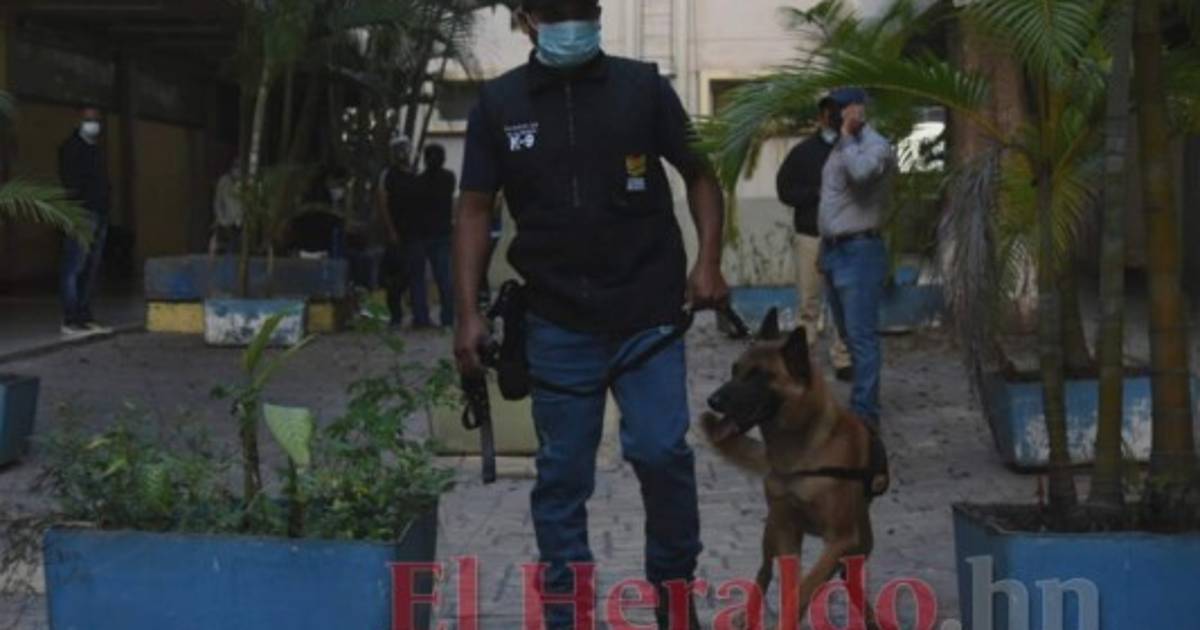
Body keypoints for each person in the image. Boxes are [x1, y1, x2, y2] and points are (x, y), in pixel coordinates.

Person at [452, 1, 728, 627]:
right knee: (561, 477)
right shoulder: (499, 104)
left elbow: (700, 174)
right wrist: (466, 313)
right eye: (555, 10)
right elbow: (474, 209)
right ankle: (566, 613)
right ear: (527, 19)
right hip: (555, 319)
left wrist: (709, 261)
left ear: (598, 13)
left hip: (648, 311)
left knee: (661, 453)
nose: (570, 21)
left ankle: (674, 597)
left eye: (581, 8)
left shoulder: (643, 89)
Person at [818, 87, 897, 430]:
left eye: (838, 109)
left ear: (856, 110)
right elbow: (833, 200)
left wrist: (850, 135)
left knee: (861, 337)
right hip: (835, 250)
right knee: (848, 336)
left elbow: (862, 174)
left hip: (860, 251)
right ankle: (861, 404)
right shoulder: (840, 146)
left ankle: (865, 415)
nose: (831, 116)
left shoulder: (875, 146)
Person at [776, 96, 854, 382]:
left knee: (843, 303)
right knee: (808, 301)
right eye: (832, 114)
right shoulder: (802, 152)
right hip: (810, 235)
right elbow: (785, 190)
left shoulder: (852, 149)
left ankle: (843, 359)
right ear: (821, 116)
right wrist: (815, 194)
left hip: (845, 236)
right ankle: (804, 359)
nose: (836, 119)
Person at [57, 106, 113, 337]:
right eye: (89, 119)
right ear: (79, 121)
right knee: (74, 266)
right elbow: (71, 182)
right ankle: (70, 319)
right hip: (81, 213)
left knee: (91, 267)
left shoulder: (96, 149)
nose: (93, 124)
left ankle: (85, 316)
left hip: (99, 213)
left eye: (96, 120)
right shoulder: (71, 148)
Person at [406, 144, 456, 328]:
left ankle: (421, 318)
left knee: (418, 279)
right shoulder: (449, 178)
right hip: (441, 233)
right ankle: (447, 318)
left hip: (419, 235)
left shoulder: (416, 181)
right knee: (444, 279)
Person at [378, 133, 420, 328]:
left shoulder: (414, 173)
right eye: (398, 149)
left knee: (412, 274)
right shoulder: (387, 175)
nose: (402, 153)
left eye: (404, 148)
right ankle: (396, 316)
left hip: (414, 232)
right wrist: (391, 230)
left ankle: (417, 313)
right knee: (395, 276)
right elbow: (383, 202)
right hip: (396, 233)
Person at [210, 156, 244, 256]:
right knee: (229, 246)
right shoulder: (224, 181)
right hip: (226, 222)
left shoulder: (242, 183)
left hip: (239, 222)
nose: (238, 171)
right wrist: (221, 219)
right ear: (232, 168)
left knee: (237, 246)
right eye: (236, 167)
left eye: (240, 169)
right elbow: (218, 202)